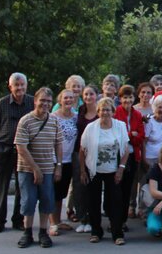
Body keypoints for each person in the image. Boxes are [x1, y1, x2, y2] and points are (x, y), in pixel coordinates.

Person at [14, 87, 61, 248]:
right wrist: (35, 168)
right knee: (28, 201)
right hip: (27, 169)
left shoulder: (54, 120)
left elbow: (58, 144)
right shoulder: (25, 120)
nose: (45, 104)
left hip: (48, 168)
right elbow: (21, 147)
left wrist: (59, 166)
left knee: (47, 200)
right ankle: (27, 232)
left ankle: (43, 232)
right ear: (35, 101)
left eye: (49, 101)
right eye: (42, 100)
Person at [80, 97, 130, 245]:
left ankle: (117, 233)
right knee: (93, 202)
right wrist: (82, 171)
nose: (105, 112)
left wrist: (121, 169)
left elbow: (126, 150)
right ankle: (96, 232)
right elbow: (82, 150)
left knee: (115, 202)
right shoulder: (91, 127)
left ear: (113, 111)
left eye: (108, 109)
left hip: (113, 171)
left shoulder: (120, 126)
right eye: (102, 110)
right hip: (94, 170)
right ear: (98, 111)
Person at [0, 72, 33, 235]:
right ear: (10, 87)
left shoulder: (31, 101)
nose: (19, 87)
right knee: (2, 186)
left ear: (26, 85)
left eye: (22, 84)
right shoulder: (2, 103)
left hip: (24, 149)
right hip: (5, 147)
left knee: (22, 186)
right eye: (16, 85)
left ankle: (18, 219)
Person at [114, 85, 146, 222]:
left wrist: (130, 136)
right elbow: (116, 136)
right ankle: (115, 218)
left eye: (130, 97)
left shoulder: (137, 114)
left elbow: (140, 137)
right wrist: (130, 134)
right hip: (118, 155)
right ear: (120, 99)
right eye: (125, 97)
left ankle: (123, 220)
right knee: (117, 188)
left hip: (133, 155)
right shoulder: (116, 113)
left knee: (128, 187)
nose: (127, 100)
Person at [50, 89, 79, 237]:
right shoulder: (53, 117)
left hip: (69, 160)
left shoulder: (76, 117)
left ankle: (58, 220)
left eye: (71, 98)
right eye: (65, 98)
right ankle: (52, 224)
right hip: (54, 160)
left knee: (61, 193)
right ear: (60, 100)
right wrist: (57, 164)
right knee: (52, 192)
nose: (68, 100)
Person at [71, 85, 100, 233]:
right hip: (79, 152)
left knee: (94, 186)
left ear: (96, 95)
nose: (88, 97)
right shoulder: (80, 110)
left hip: (96, 153)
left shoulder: (100, 111)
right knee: (79, 185)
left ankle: (93, 218)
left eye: (91, 94)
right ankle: (82, 218)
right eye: (86, 94)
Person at [142, 95, 162, 214]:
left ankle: (158, 211)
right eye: (159, 107)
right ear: (154, 107)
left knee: (160, 186)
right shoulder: (149, 121)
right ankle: (144, 212)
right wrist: (144, 159)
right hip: (149, 158)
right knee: (147, 187)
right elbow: (143, 142)